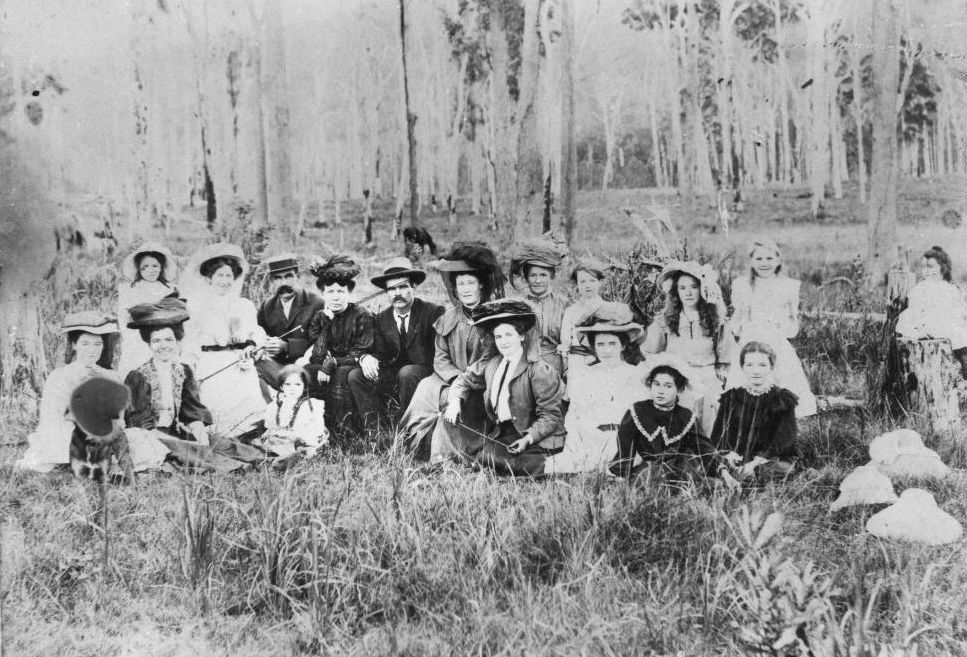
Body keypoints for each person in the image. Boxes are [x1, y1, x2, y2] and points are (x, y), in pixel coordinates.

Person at [396, 242, 505, 459]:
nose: (465, 289)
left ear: (481, 286)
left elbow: (490, 359)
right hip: (449, 377)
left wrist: (462, 382)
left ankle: (445, 451)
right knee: (426, 388)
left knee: (450, 401)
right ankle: (411, 441)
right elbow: (441, 357)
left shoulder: (494, 317)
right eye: (460, 284)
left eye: (470, 283)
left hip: (480, 382)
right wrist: (454, 377)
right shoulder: (448, 318)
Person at [444, 299, 565, 476]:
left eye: (509, 335)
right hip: (504, 432)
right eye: (499, 337)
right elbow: (464, 380)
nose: (504, 342)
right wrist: (454, 401)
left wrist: (528, 438)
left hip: (536, 437)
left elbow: (551, 416)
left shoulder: (538, 370)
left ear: (521, 336)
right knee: (481, 455)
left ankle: (548, 465)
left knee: (490, 460)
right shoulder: (493, 363)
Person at [543, 302, 645, 474]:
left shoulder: (636, 375)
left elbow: (643, 416)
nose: (606, 350)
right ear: (593, 347)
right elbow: (575, 416)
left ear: (623, 345)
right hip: (592, 439)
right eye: (600, 344)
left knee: (621, 465)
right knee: (553, 466)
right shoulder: (586, 376)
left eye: (612, 344)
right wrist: (578, 443)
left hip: (626, 442)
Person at [17, 311, 121, 472]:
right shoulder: (59, 376)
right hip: (67, 431)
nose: (92, 350)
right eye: (85, 343)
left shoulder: (111, 376)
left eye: (97, 344)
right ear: (74, 345)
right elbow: (50, 417)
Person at [181, 242, 267, 438]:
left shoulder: (243, 305)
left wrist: (251, 347)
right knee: (214, 400)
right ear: (210, 277)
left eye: (229, 275)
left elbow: (256, 332)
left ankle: (247, 434)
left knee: (248, 394)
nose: (225, 280)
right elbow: (190, 339)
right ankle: (218, 435)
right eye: (220, 275)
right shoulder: (196, 305)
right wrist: (190, 366)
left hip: (239, 360)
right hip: (209, 360)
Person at [350, 257, 445, 432]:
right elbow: (381, 352)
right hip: (394, 374)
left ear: (413, 287)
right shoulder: (382, 318)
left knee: (407, 373)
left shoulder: (432, 312)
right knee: (356, 375)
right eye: (392, 289)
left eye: (403, 286)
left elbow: (441, 354)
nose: (397, 293)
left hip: (426, 374)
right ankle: (377, 431)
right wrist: (367, 358)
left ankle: (410, 430)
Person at [641, 260, 735, 435]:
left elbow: (725, 354)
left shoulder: (715, 318)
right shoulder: (665, 319)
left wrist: (721, 375)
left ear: (702, 289)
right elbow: (651, 351)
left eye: (694, 287)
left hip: (706, 374)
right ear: (676, 291)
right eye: (683, 288)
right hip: (677, 376)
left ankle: (704, 453)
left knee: (708, 413)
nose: (688, 293)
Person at [727, 237, 817, 416]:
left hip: (775, 339)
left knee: (780, 375)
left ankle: (778, 414)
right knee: (747, 374)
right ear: (751, 261)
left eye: (769, 259)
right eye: (759, 259)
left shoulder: (788, 286)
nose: (764, 264)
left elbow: (792, 324)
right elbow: (736, 322)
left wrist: (779, 327)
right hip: (750, 340)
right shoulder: (742, 285)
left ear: (778, 260)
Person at [609, 354, 720, 484]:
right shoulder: (638, 410)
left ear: (679, 389)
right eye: (656, 384)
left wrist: (722, 471)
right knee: (646, 479)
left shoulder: (685, 416)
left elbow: (706, 450)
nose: (660, 391)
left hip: (681, 471)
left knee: (711, 484)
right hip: (648, 472)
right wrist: (621, 475)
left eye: (668, 386)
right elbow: (625, 449)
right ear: (650, 385)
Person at [297, 254, 374, 433]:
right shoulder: (320, 316)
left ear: (349, 292)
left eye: (340, 292)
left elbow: (361, 352)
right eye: (330, 292)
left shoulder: (362, 315)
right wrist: (326, 324)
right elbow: (316, 356)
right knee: (309, 371)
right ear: (323, 294)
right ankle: (314, 426)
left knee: (341, 374)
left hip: (353, 367)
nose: (336, 297)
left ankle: (345, 430)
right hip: (326, 365)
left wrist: (333, 363)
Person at [124, 297, 212, 443]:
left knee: (226, 449)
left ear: (177, 341)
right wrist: (186, 445)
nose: (163, 346)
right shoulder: (138, 376)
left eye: (168, 340)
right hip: (150, 438)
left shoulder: (183, 371)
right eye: (156, 341)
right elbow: (141, 425)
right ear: (149, 344)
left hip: (176, 432)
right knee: (191, 454)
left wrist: (202, 440)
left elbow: (193, 413)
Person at [711, 338, 799, 483]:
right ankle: (734, 475)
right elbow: (719, 435)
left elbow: (783, 442)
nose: (756, 371)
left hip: (768, 459)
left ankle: (748, 476)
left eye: (762, 365)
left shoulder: (782, 398)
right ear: (743, 367)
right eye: (750, 365)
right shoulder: (731, 397)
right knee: (708, 462)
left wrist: (755, 463)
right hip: (736, 457)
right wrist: (729, 455)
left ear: (771, 367)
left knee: (782, 469)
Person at [255, 253, 325, 395]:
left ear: (297, 276)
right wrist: (265, 345)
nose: (284, 283)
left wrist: (287, 347)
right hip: (278, 367)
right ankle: (273, 407)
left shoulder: (316, 303)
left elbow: (320, 343)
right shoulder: (266, 306)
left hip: (305, 366)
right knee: (254, 365)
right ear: (271, 281)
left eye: (288, 276)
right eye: (278, 278)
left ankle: (294, 393)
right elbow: (259, 335)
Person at [896, 245, 967, 378]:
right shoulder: (920, 289)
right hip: (925, 324)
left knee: (960, 334)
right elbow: (914, 311)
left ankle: (964, 364)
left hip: (945, 323)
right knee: (908, 322)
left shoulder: (950, 289)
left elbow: (958, 312)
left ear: (943, 267)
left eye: (931, 267)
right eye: (923, 267)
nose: (926, 271)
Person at [509, 235, 568, 375]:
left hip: (554, 365)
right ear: (526, 277)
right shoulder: (518, 304)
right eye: (533, 275)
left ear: (551, 276)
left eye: (543, 275)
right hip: (523, 363)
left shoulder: (563, 304)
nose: (537, 280)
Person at [117, 241, 178, 374]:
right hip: (137, 338)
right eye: (145, 266)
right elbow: (124, 318)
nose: (151, 270)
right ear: (139, 268)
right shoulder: (130, 289)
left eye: (155, 266)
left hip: (163, 336)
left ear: (161, 267)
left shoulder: (168, 289)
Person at [255, 365, 328, 460]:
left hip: (303, 441)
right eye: (288, 384)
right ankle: (278, 457)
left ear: (304, 386)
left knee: (306, 451)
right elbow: (271, 427)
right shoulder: (276, 405)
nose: (292, 388)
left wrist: (297, 436)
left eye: (297, 384)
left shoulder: (311, 406)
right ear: (281, 386)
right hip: (280, 442)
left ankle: (291, 457)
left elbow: (317, 431)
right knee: (263, 446)